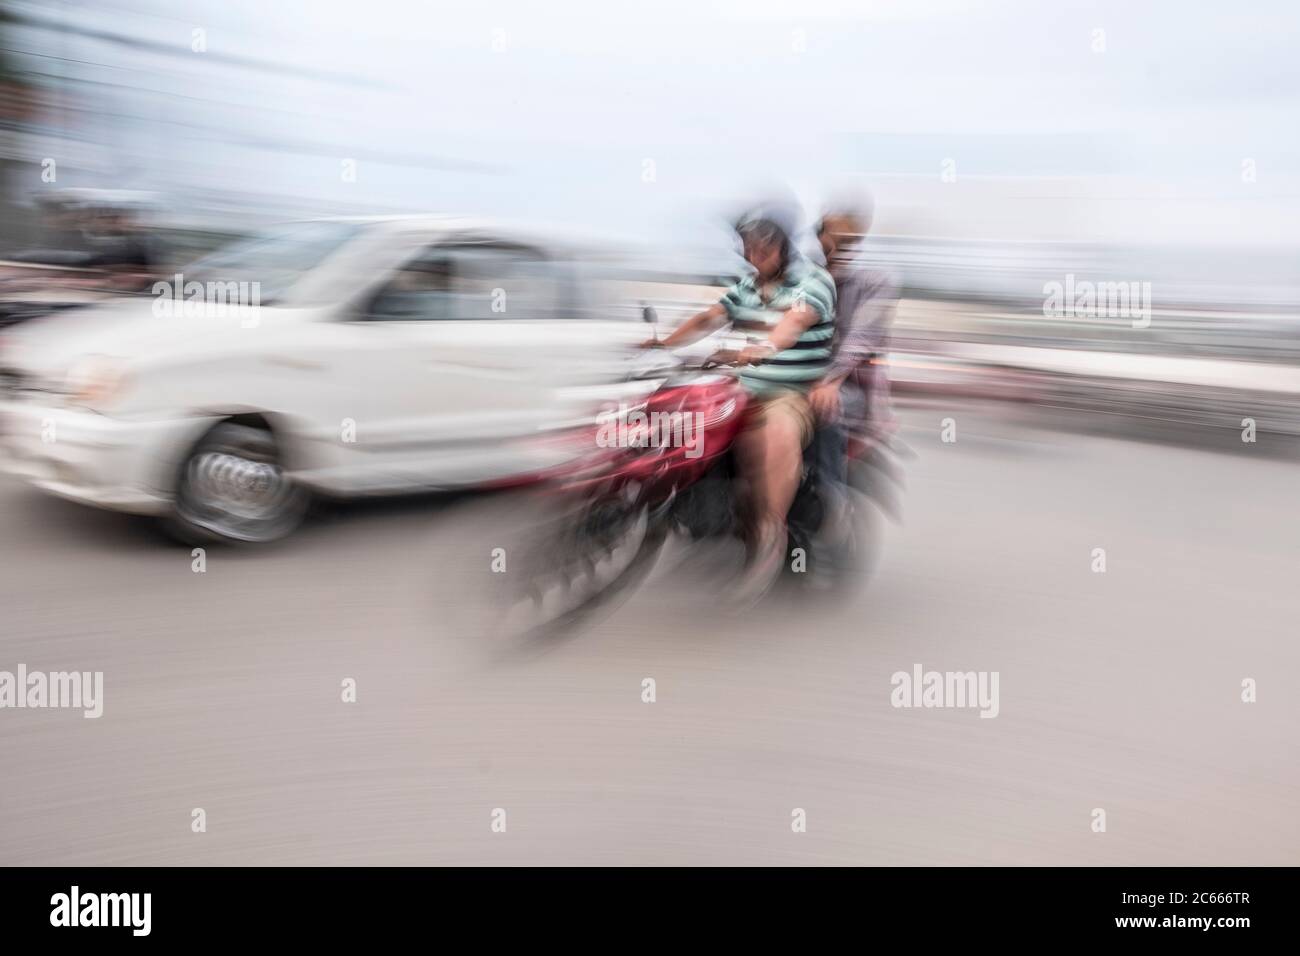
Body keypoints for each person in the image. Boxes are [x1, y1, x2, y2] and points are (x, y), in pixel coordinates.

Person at [648, 211, 836, 597]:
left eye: (764, 246)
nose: (755, 254)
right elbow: (709, 318)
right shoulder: (745, 285)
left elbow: (794, 321)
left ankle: (770, 532)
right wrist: (663, 343)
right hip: (739, 388)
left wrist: (765, 346)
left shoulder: (813, 282)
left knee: (772, 433)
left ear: (782, 245)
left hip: (788, 393)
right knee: (673, 413)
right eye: (749, 247)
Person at [809, 204, 899, 500]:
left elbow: (861, 338)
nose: (838, 245)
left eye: (848, 240)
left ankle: (827, 496)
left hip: (848, 387)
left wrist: (830, 381)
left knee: (820, 406)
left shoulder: (875, 283)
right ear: (820, 237)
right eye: (832, 236)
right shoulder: (805, 279)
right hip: (798, 375)